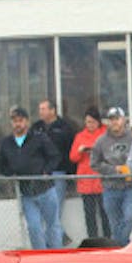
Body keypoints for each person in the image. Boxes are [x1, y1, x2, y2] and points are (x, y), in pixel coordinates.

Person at [0, 106, 61, 250]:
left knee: (53, 225)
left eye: (20, 120)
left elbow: (54, 156)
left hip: (45, 189)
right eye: (14, 121)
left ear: (27, 121)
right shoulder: (7, 143)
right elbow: (2, 165)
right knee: (34, 226)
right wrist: (10, 173)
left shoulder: (39, 138)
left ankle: (57, 254)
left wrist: (47, 171)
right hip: (26, 192)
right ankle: (40, 256)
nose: (17, 124)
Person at [90, 107, 132, 246]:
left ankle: (120, 245)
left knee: (131, 217)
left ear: (124, 120)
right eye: (111, 120)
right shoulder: (100, 141)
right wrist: (113, 169)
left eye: (117, 119)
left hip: (130, 187)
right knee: (115, 224)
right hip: (110, 188)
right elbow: (94, 164)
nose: (114, 122)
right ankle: (122, 248)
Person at [32, 99, 77, 243]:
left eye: (44, 109)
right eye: (40, 109)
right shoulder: (36, 128)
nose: (41, 112)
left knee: (54, 208)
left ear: (52, 110)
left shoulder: (64, 128)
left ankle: (53, 241)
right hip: (40, 174)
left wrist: (71, 173)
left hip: (58, 172)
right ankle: (57, 238)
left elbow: (70, 150)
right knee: (43, 208)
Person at [69, 107, 110, 240]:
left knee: (106, 213)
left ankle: (108, 239)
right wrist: (81, 151)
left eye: (92, 122)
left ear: (98, 122)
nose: (90, 125)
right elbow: (73, 157)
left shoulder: (106, 134)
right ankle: (93, 239)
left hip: (102, 180)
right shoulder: (80, 136)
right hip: (86, 181)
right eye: (87, 122)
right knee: (90, 214)